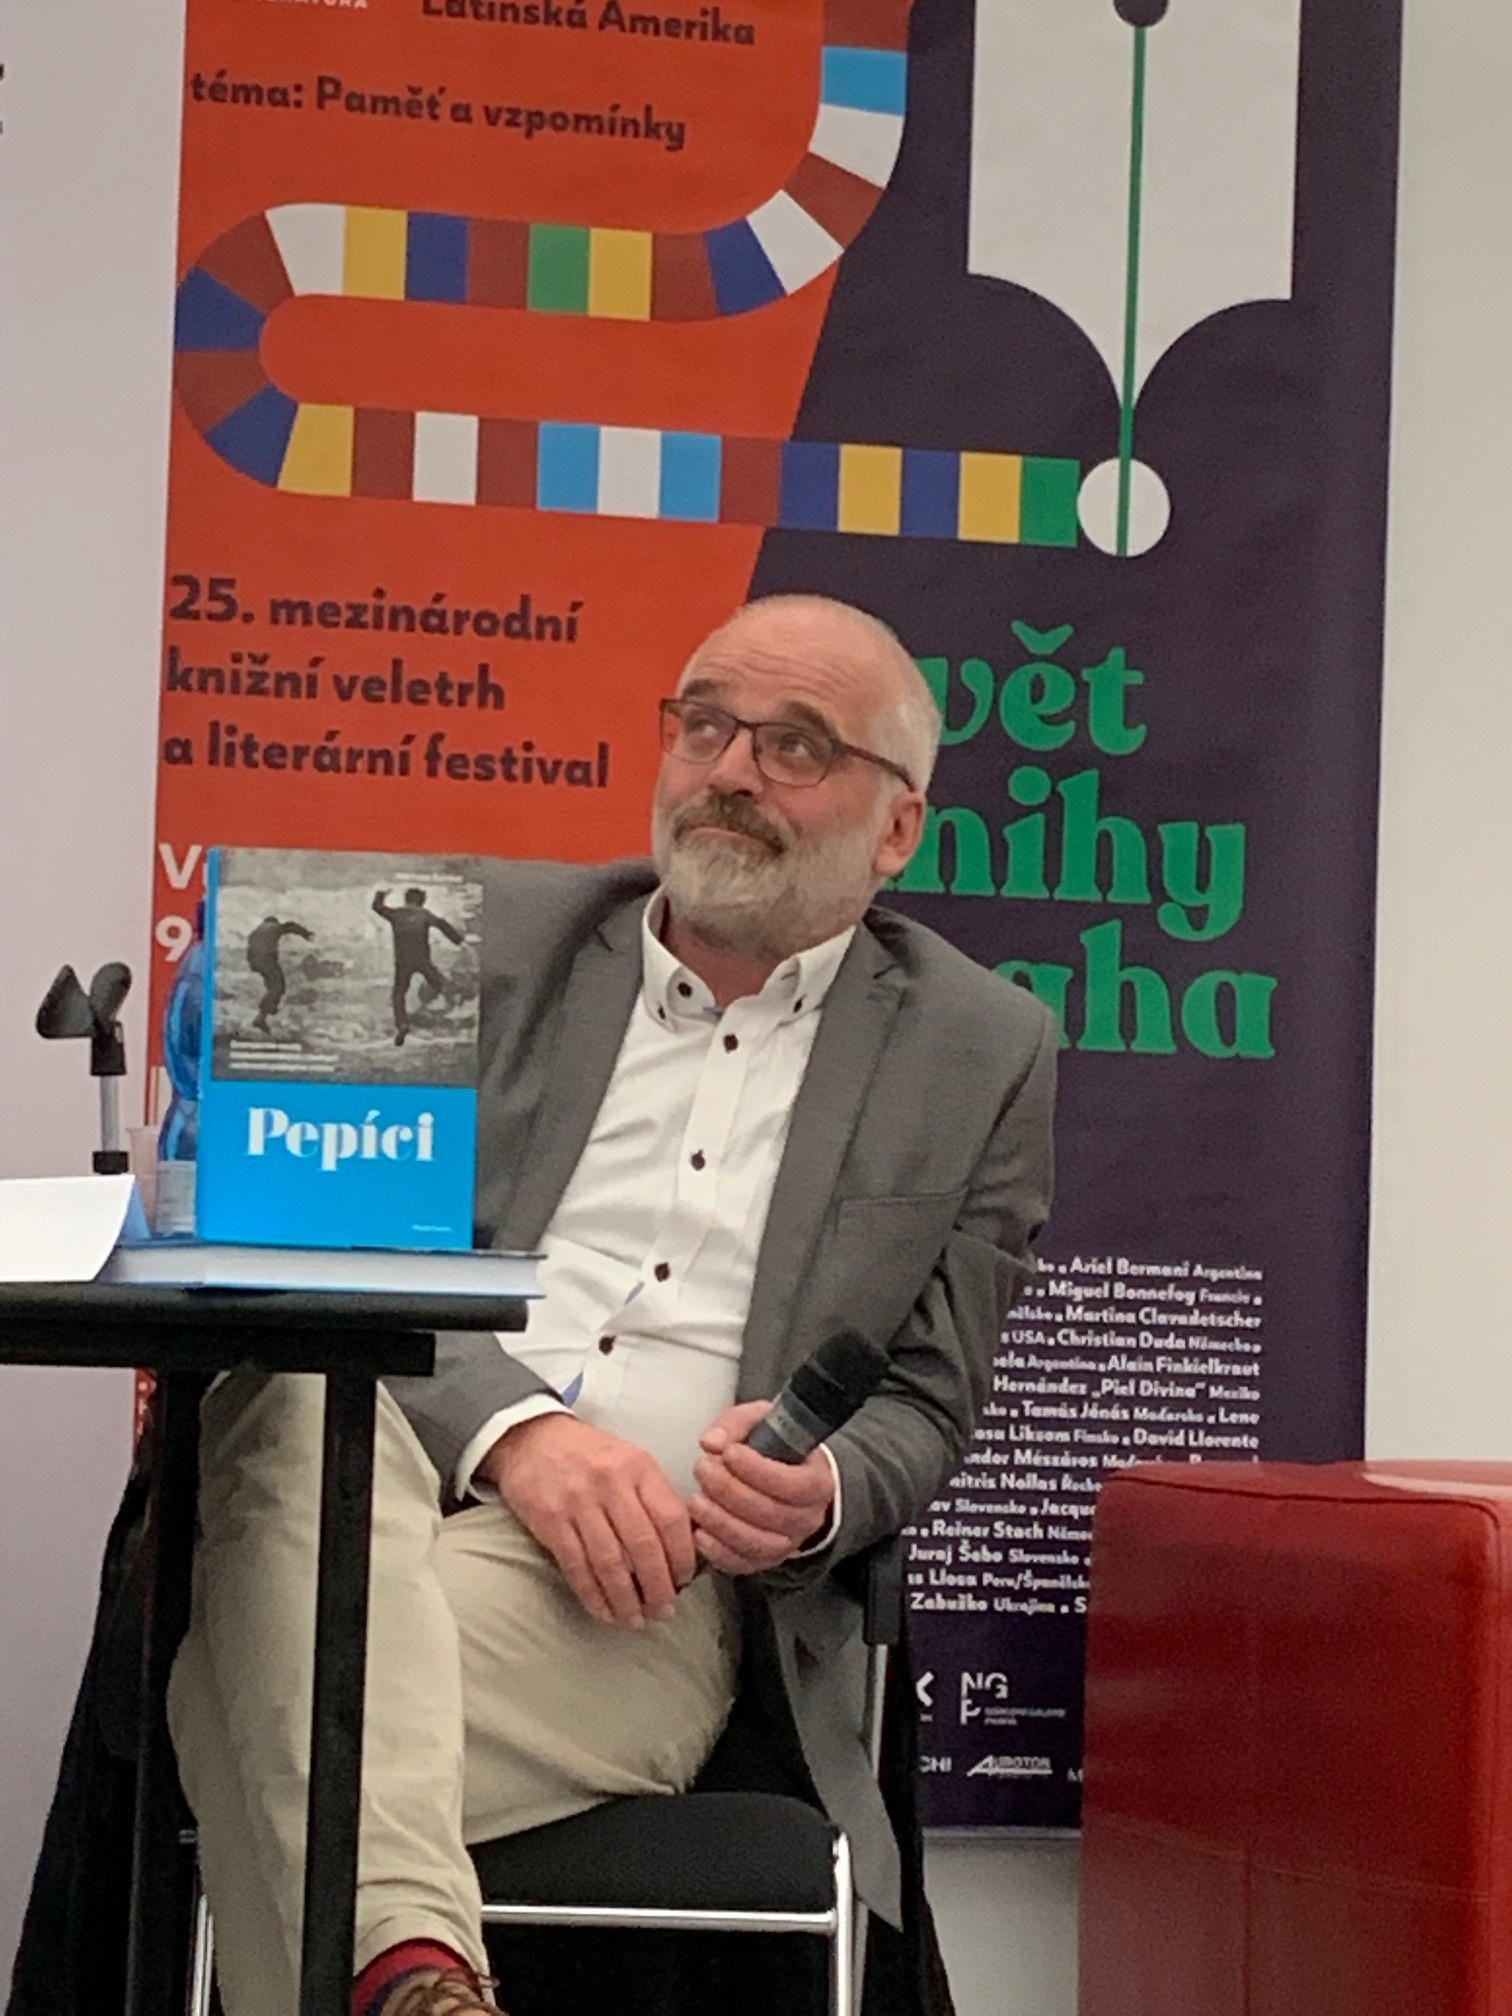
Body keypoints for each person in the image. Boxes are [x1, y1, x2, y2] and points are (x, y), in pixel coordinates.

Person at [167, 594, 1057, 2016]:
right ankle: (414, 1974)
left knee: (249, 1697)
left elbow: (928, 1400)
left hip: (638, 1593)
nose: (729, 771)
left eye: (794, 744)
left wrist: (822, 1491)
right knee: (294, 1392)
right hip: (357, 1483)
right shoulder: (468, 932)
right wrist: (519, 1433)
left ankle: (402, 1961)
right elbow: (300, 1262)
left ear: (898, 829)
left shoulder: (982, 1045)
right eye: (703, 724)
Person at [371, 887, 467, 1045]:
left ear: (406, 900)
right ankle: (450, 1012)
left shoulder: (396, 914)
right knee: (441, 984)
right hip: (422, 961)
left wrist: (382, 894)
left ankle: (402, 1025)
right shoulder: (424, 915)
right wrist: (460, 942)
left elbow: (377, 907)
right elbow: (442, 925)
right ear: (422, 901)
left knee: (399, 993)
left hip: (403, 962)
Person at [245, 913, 314, 1034]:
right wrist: (306, 933)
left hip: (254, 961)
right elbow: (290, 926)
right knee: (278, 987)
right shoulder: (274, 926)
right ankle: (261, 1017)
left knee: (271, 985)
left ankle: (270, 1007)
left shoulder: (256, 931)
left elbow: (251, 947)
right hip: (266, 960)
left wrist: (253, 964)